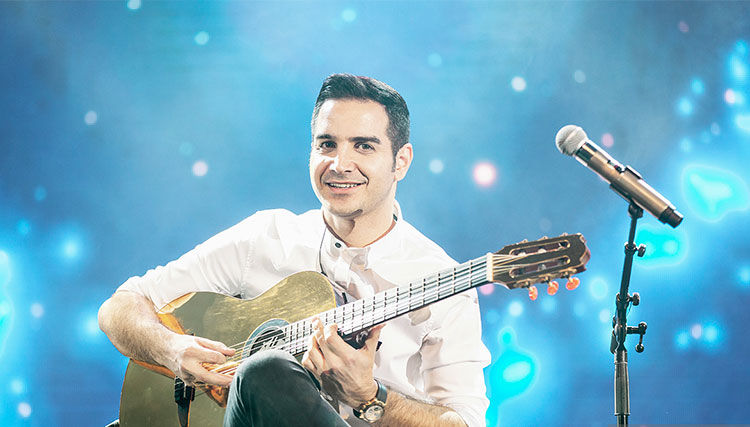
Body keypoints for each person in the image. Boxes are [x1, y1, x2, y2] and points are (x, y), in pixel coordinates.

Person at [98, 74, 490, 427]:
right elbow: (120, 306)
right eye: (327, 144)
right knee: (264, 370)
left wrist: (370, 397)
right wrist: (170, 349)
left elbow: (467, 423)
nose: (340, 164)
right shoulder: (266, 238)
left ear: (400, 162)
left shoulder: (442, 280)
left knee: (265, 369)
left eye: (364, 146)